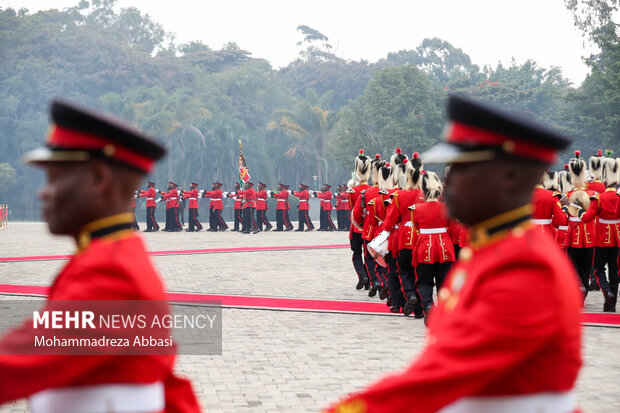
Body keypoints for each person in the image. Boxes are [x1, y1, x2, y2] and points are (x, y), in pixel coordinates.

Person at [324, 95, 581, 413]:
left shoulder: (525, 269)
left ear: (510, 177)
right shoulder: (495, 250)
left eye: (461, 169)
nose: (447, 180)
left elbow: (443, 379)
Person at [0, 98, 200, 412]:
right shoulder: (108, 256)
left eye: (53, 179)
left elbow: (15, 364)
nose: (43, 192)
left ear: (98, 179)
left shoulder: (111, 273)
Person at [576, 157, 620, 311]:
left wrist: (580, 210)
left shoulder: (599, 198)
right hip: (617, 239)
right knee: (614, 271)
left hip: (601, 239)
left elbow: (587, 218)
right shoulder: (618, 197)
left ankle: (607, 292)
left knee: (598, 269)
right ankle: (612, 305)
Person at [348, 151, 372, 290]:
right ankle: (368, 279)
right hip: (368, 228)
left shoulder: (352, 190)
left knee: (356, 254)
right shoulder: (372, 189)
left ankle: (362, 276)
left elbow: (352, 209)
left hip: (356, 227)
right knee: (368, 256)